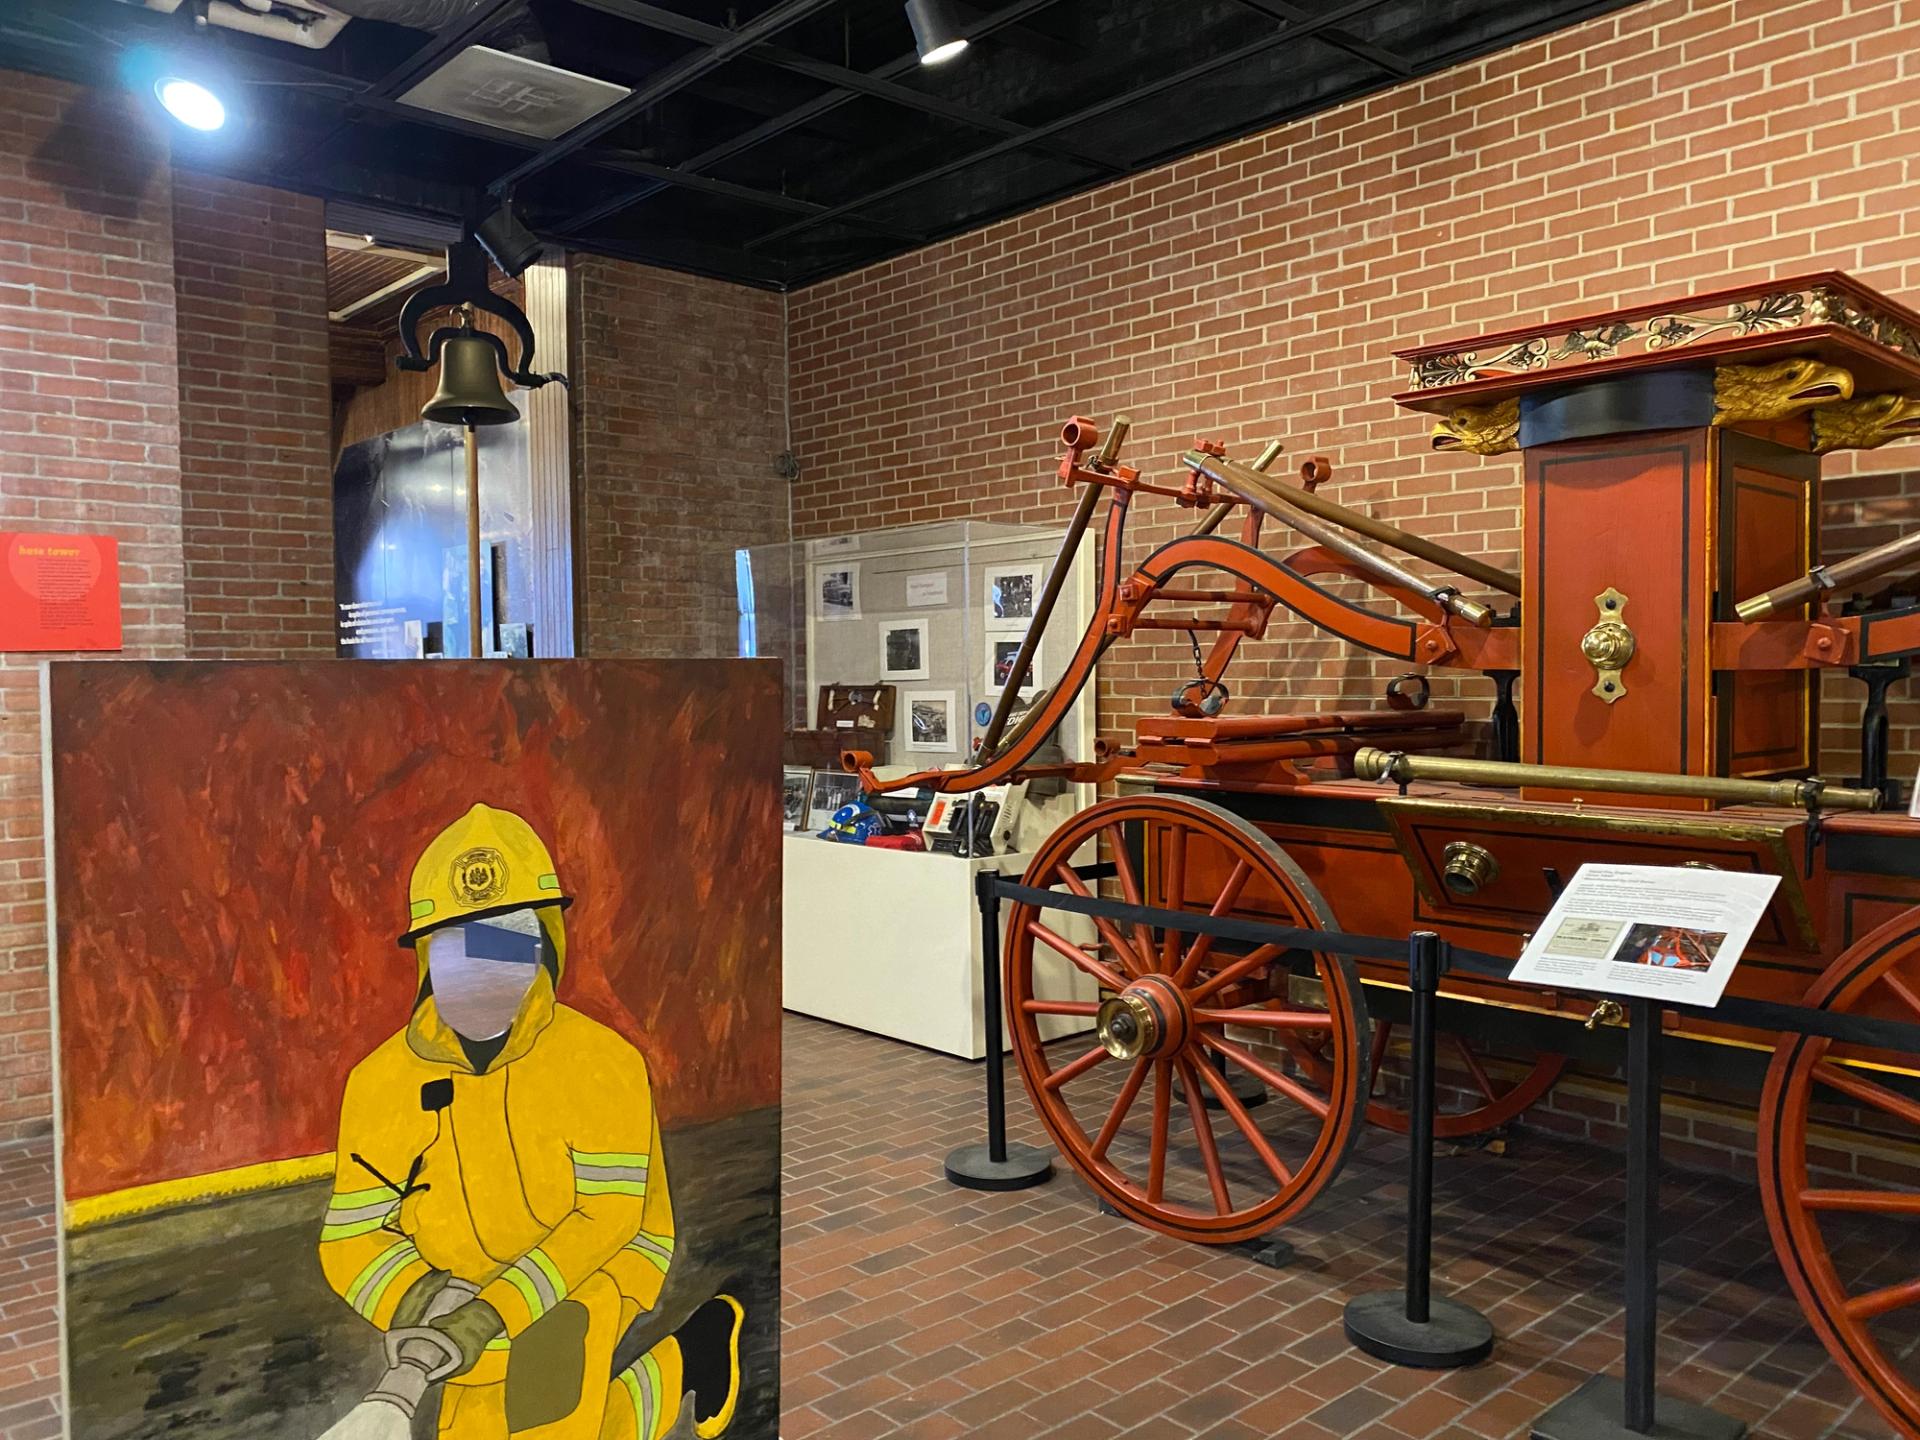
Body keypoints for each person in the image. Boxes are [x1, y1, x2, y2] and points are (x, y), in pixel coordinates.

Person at [318, 803, 741, 1439]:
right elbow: (350, 1236)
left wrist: (490, 1313)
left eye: (503, 945)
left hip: (591, 1267)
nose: (480, 973)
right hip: (453, 1293)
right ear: (426, 959)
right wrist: (423, 1299)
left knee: (546, 1422)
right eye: (458, 950)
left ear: (543, 948)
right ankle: (690, 1358)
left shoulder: (603, 1064)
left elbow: (606, 1220)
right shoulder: (379, 1083)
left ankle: (677, 1357)